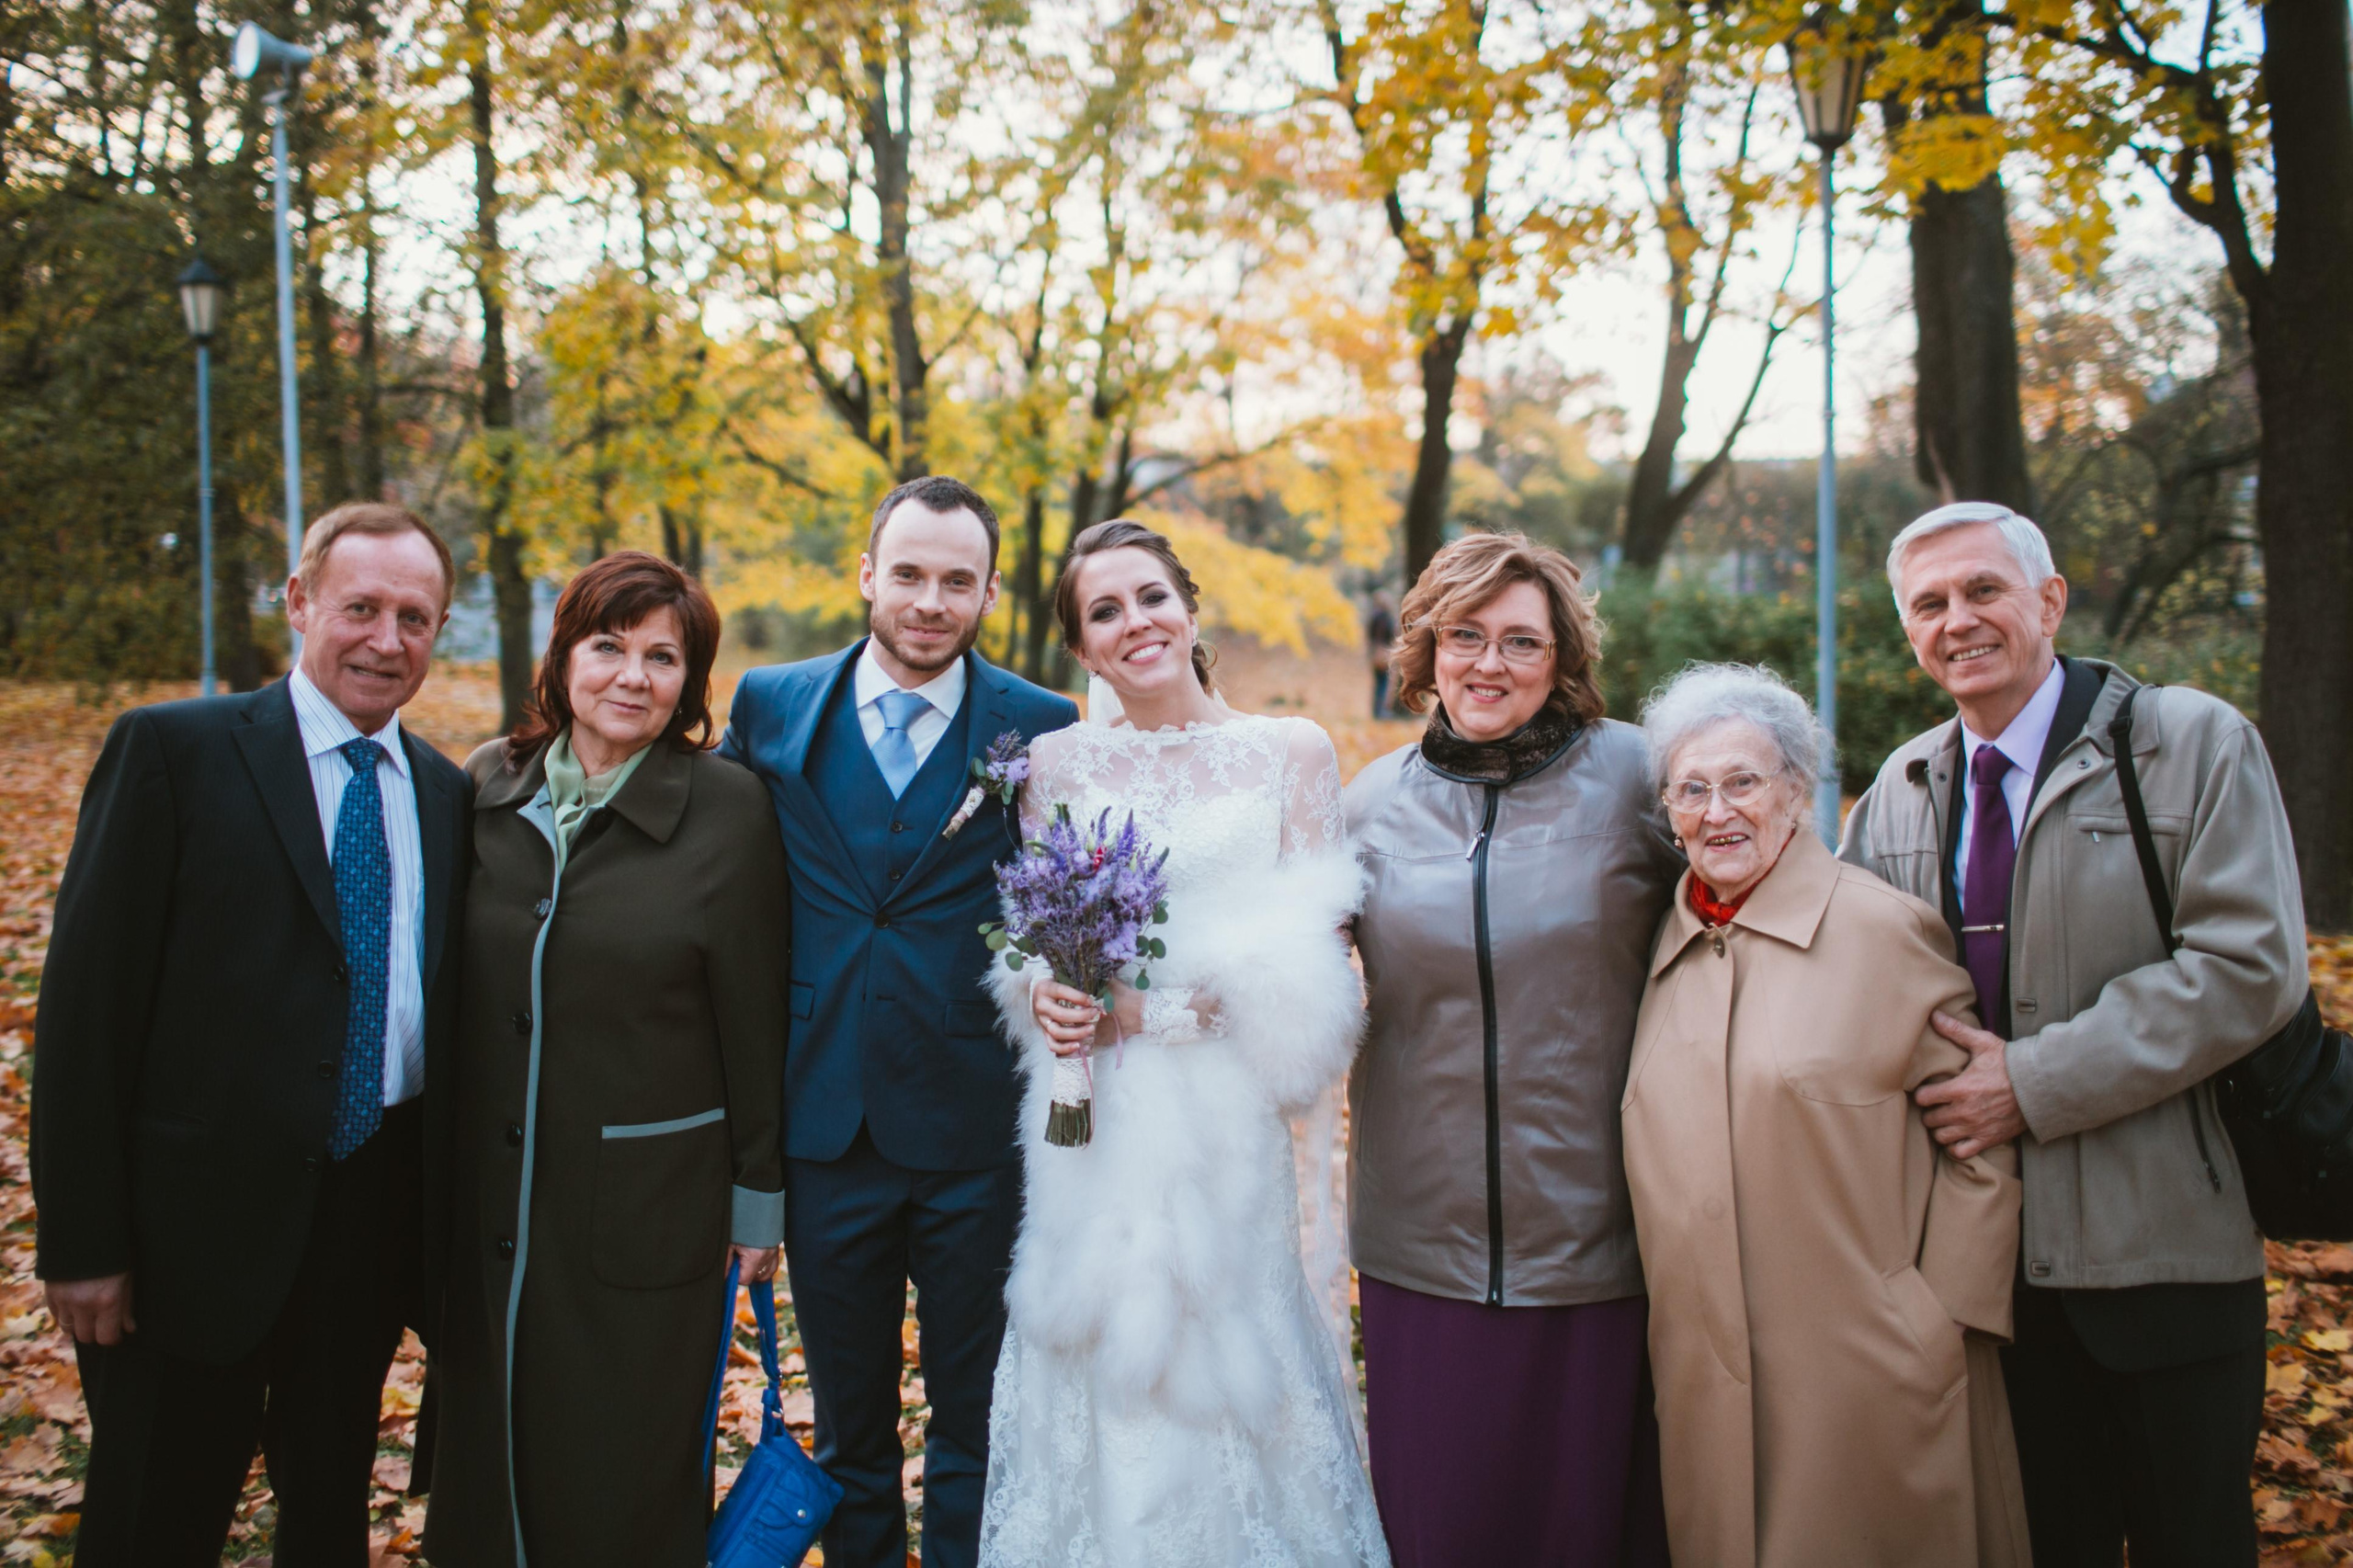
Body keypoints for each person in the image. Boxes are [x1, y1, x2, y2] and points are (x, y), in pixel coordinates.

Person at [1840, 501, 2308, 1568]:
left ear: (2049, 599)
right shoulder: (1901, 792)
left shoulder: (2188, 742)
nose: (1956, 619)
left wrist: (2034, 1082)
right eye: (1928, 603)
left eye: (1983, 590)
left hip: (2165, 1249)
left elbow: (2249, 969)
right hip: (1990, 1274)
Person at [31, 502, 472, 1566]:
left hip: (369, 1221)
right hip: (190, 1235)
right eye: (360, 607)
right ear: (299, 601)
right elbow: (86, 1014)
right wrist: (83, 1241)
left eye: (414, 617)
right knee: (156, 1514)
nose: (385, 638)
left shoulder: (452, 796)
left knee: (326, 1513)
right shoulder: (172, 754)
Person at [979, 518, 1387, 1567]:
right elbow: (1033, 938)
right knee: (1093, 1343)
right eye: (1103, 612)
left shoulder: (1289, 750)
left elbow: (1311, 977)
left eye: (1150, 597)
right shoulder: (1055, 763)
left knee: (1222, 1342)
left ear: (1189, 607)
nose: (1134, 624)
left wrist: (1148, 1012)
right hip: (1092, 1118)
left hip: (1224, 1121)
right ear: (1081, 648)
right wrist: (1045, 993)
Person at [718, 477, 1078, 1568]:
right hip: (823, 1121)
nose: (929, 600)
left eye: (956, 581)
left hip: (975, 1128)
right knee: (852, 1424)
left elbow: (1066, 904)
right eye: (909, 573)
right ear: (868, 572)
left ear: (988, 592)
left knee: (976, 1420)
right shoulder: (770, 704)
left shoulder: (1040, 724)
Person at [422, 551, 787, 1566]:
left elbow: (754, 1015)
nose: (632, 675)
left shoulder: (728, 809)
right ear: (564, 656)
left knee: (621, 1459)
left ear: (690, 680)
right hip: (491, 1194)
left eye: (662, 656)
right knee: (486, 1447)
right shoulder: (488, 780)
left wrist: (759, 1196)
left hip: (650, 1198)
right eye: (608, 646)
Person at [1623, 663, 2029, 1568]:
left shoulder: (1884, 931)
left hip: (1868, 1373)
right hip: (1702, 1376)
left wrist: (1935, 1319)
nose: (1716, 809)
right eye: (1690, 788)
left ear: (1798, 792)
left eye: (1743, 781)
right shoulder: (1664, 940)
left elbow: (1980, 1135)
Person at [1343, 530, 1680, 1567]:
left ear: (1562, 658)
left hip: (1599, 1231)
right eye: (1465, 635)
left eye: (1521, 642)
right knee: (1442, 1524)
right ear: (1428, 647)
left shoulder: (1639, 775)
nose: (1488, 663)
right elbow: (1273, 976)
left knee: (1589, 1523)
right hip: (1421, 1243)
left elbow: (1763, 909)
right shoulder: (1368, 804)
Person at [1364, 590, 1398, 718]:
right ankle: (1381, 712)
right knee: (1383, 683)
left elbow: (1370, 637)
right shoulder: (1385, 618)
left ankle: (1376, 711)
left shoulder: (1373, 617)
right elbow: (1390, 636)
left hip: (1374, 654)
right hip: (1383, 654)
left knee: (1378, 683)